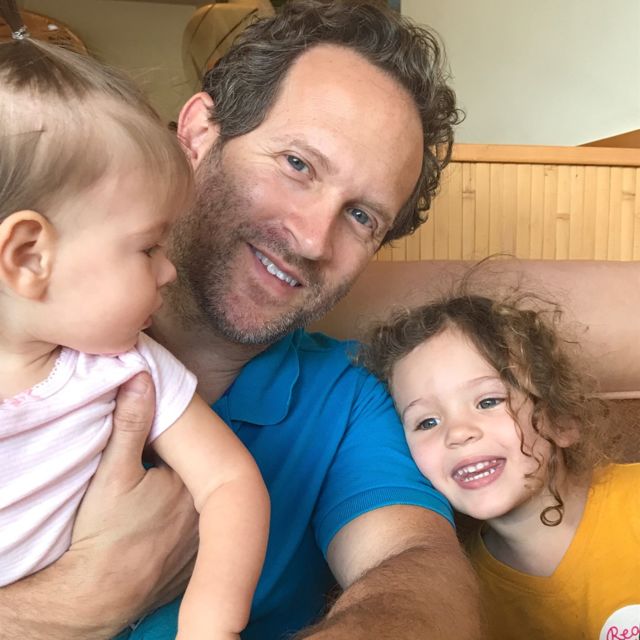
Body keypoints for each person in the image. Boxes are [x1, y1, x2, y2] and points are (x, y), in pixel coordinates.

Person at [1, 1, 484, 638]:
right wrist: (79, 600)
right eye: (298, 165)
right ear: (200, 133)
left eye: (361, 216)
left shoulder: (348, 399)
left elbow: (421, 576)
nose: (313, 239)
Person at [0, 4, 269, 639]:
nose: (168, 270)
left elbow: (230, 482)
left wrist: (209, 624)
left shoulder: (125, 366)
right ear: (29, 257)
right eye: (147, 247)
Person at [360, 290, 640, 639]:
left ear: (560, 419)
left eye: (488, 401)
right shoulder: (460, 596)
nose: (457, 433)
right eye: (427, 422)